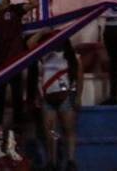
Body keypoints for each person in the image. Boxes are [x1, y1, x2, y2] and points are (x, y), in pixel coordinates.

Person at [0, 0, 38, 140]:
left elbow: (34, 4)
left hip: (15, 58)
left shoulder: (15, 9)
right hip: (0, 60)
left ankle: (18, 126)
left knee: (16, 93)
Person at [27, 34, 81, 170]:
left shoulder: (72, 57)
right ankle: (52, 161)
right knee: (51, 132)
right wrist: (45, 29)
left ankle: (70, 161)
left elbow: (80, 79)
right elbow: (30, 43)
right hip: (48, 99)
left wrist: (78, 97)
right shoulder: (44, 55)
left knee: (68, 130)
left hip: (65, 98)